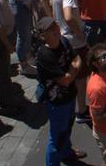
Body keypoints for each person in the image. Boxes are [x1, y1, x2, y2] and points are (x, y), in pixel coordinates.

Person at [34, 15, 85, 166]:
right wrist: (73, 69)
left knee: (67, 128)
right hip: (57, 103)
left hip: (69, 96)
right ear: (43, 36)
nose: (55, 30)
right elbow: (65, 80)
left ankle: (66, 153)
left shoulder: (63, 41)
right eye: (50, 29)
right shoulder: (45, 55)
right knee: (56, 138)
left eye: (55, 26)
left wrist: (72, 70)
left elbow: (78, 60)